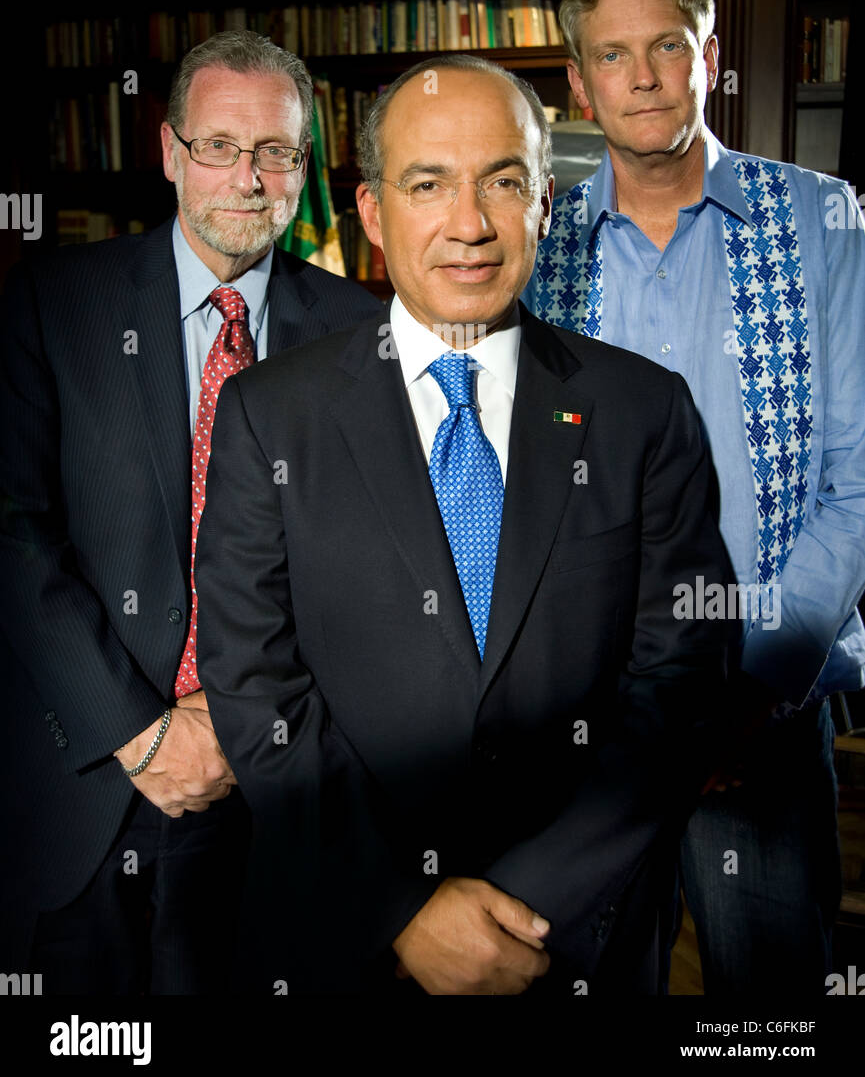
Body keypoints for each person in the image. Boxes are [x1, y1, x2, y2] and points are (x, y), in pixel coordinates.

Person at [194, 52, 735, 996]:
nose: (470, 225)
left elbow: (679, 690)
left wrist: (527, 906)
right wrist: (402, 904)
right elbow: (253, 685)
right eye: (428, 184)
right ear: (371, 213)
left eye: (503, 181)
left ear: (543, 205)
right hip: (345, 939)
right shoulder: (267, 414)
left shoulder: (643, 412)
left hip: (578, 943)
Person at [0, 30, 380, 994]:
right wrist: (140, 732)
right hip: (91, 775)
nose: (245, 179)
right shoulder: (55, 302)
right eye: (218, 146)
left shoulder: (364, 332)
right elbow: (13, 532)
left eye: (275, 153)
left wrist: (247, 721)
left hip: (285, 786)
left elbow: (379, 569)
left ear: (304, 166)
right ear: (170, 152)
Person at [525, 0, 865, 995]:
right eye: (613, 56)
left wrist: (747, 684)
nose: (643, 78)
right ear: (578, 82)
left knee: (771, 1000)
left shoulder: (819, 220)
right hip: (594, 721)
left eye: (665, 46)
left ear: (705, 56)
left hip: (760, 708)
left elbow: (855, 480)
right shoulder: (540, 252)